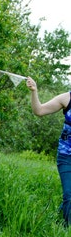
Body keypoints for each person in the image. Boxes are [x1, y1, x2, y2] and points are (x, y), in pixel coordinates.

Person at [26, 76, 71, 226]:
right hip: (66, 156)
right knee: (70, 195)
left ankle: (56, 224)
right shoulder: (66, 98)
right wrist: (34, 91)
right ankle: (67, 233)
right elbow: (39, 110)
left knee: (69, 198)